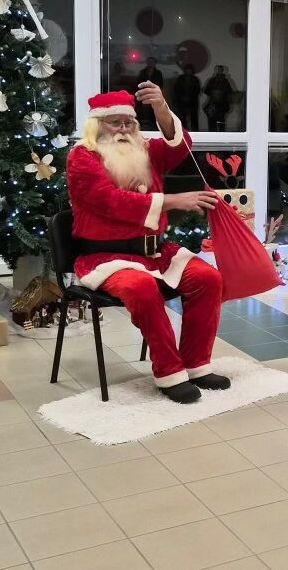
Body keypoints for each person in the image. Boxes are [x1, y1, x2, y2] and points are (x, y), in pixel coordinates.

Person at [65, 83, 226, 404]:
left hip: (154, 252)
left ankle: (196, 364)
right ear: (97, 125)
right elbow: (108, 200)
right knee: (141, 288)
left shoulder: (146, 151)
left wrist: (162, 107)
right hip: (106, 257)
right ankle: (169, 373)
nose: (124, 129)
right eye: (115, 122)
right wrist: (172, 200)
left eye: (129, 122)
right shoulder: (82, 157)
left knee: (208, 278)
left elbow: (180, 145)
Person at [135, 57, 164, 130]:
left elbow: (160, 85)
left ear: (155, 63)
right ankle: (139, 127)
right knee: (141, 111)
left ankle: (155, 127)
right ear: (147, 63)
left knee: (154, 110)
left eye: (152, 62)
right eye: (149, 62)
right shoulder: (143, 72)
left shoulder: (158, 73)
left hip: (154, 94)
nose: (151, 63)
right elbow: (138, 83)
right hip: (143, 93)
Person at [203, 65, 233, 131]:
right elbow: (206, 91)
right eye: (218, 70)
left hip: (222, 105)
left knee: (221, 125)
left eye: (220, 70)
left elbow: (229, 93)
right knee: (212, 125)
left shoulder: (225, 81)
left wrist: (220, 93)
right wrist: (213, 92)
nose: (219, 71)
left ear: (222, 71)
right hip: (212, 105)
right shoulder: (212, 80)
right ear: (216, 71)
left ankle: (222, 136)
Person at [173, 64, 201, 131]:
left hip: (192, 101)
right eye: (187, 70)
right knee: (182, 118)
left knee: (194, 118)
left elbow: (197, 90)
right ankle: (183, 132)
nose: (188, 71)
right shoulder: (180, 78)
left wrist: (190, 97)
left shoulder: (195, 79)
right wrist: (181, 97)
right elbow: (176, 89)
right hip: (181, 102)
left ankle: (195, 132)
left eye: (190, 70)